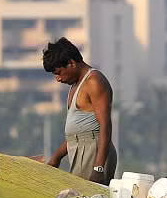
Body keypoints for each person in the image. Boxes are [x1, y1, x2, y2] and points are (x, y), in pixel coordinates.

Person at [42, 37, 117, 184]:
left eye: (59, 72)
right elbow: (78, 132)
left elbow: (105, 126)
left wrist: (98, 168)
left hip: (93, 153)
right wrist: (56, 158)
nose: (58, 79)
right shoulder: (75, 85)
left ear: (71, 63)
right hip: (79, 150)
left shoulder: (94, 81)